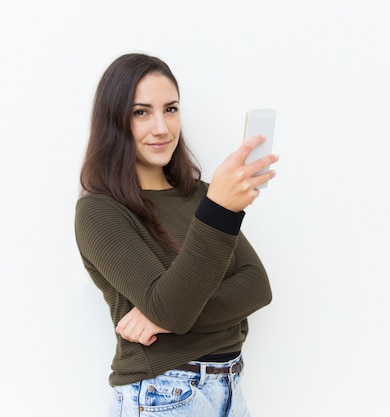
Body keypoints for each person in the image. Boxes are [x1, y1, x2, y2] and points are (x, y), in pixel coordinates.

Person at [74, 52, 279, 417]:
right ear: (113, 121)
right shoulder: (100, 211)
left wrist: (161, 317)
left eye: (170, 109)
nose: (162, 128)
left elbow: (257, 286)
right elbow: (173, 307)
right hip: (164, 394)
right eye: (141, 112)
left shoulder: (200, 194)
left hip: (230, 387)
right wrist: (169, 312)